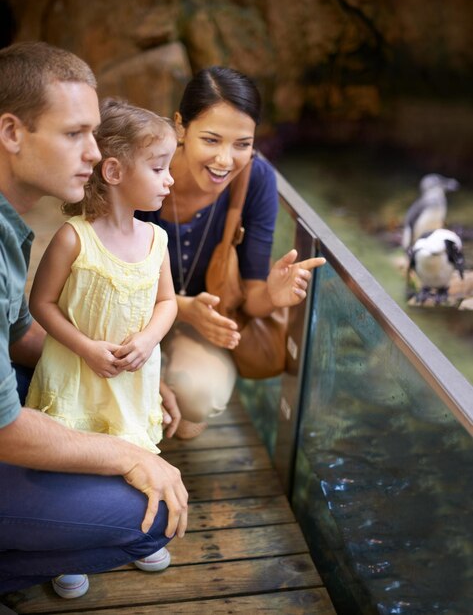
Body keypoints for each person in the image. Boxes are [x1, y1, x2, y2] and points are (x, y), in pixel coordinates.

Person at [0, 41, 187, 601]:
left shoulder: (13, 227)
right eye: (74, 133)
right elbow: (4, 429)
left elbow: (18, 338)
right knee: (150, 513)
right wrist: (132, 458)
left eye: (95, 132)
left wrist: (144, 376)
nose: (92, 150)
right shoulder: (63, 238)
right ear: (12, 133)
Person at [136, 66, 326, 439]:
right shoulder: (143, 167)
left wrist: (272, 294)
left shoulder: (256, 179)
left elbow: (251, 300)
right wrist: (181, 308)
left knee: (196, 404)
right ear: (180, 127)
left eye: (242, 144)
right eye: (211, 140)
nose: (226, 160)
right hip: (127, 319)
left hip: (206, 323)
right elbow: (103, 273)